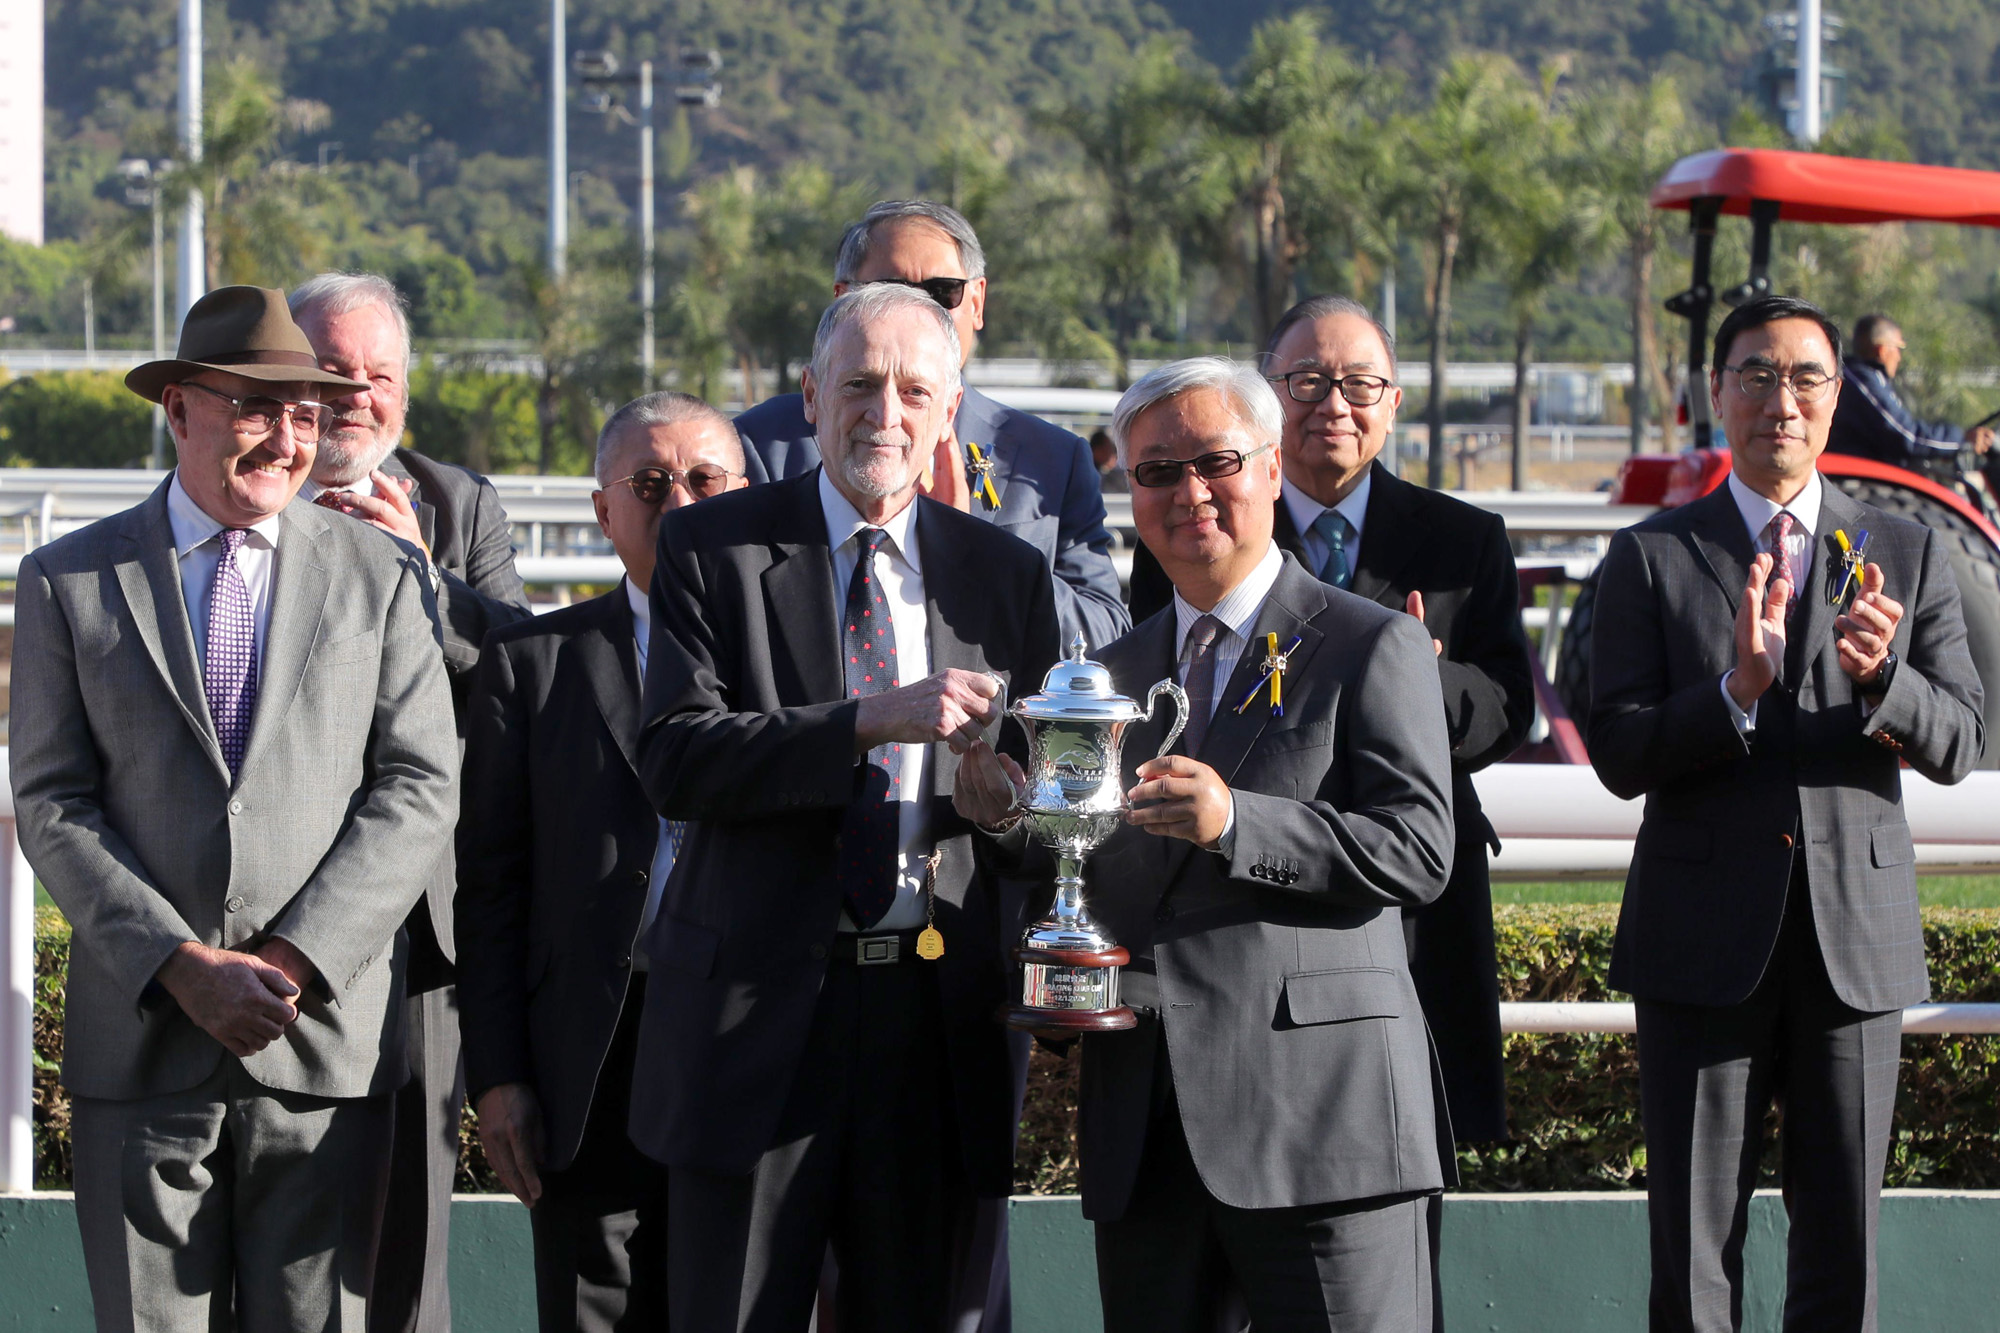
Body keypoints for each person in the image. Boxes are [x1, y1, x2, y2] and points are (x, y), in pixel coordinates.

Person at [960, 356, 1457, 1331]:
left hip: (1325, 1130)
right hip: (1142, 1129)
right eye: (1155, 471)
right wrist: (1004, 822)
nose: (1188, 491)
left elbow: (1419, 849)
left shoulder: (1365, 643)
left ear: (1271, 468)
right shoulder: (1098, 676)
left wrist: (1238, 823)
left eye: (1214, 461)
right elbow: (1074, 867)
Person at [9, 285, 460, 1331]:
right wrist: (178, 964)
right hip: (145, 1044)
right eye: (256, 407)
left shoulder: (383, 573)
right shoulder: (68, 579)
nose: (286, 439)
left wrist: (295, 961)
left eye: (305, 414)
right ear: (179, 408)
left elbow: (419, 783)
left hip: (322, 1044)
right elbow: (51, 800)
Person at [631, 283, 1061, 1331]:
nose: (886, 411)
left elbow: (1045, 811)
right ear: (810, 397)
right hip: (753, 1024)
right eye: (860, 384)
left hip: (932, 1024)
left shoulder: (1003, 575)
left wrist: (1003, 807)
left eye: (915, 388)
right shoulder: (712, 548)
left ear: (947, 410)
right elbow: (675, 758)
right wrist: (865, 721)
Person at [1588, 294, 1984, 1331]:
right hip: (1697, 947)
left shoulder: (1904, 546)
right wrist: (1732, 694)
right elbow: (1619, 753)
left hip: (1855, 946)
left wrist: (1879, 683)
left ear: (1836, 395)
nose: (1781, 399)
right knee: (1689, 1252)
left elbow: (1959, 740)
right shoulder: (1649, 556)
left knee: (1840, 1252)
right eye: (1755, 375)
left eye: (1804, 376)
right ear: (1716, 394)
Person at [1131, 295, 1533, 1144]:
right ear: (1270, 411)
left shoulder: (1464, 539)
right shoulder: (1193, 522)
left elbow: (1508, 707)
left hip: (1411, 896)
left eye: (1360, 382)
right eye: (1307, 381)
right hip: (1230, 907)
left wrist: (1420, 685)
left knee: (1403, 1147)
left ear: (1394, 402)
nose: (1333, 404)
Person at [458, 393, 748, 1332]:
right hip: (593, 1054)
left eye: (707, 481)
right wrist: (497, 1074)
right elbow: (491, 885)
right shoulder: (534, 662)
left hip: (747, 1038)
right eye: (651, 482)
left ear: (746, 495)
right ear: (603, 510)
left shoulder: (797, 665)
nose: (682, 503)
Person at [290, 271, 532, 1333]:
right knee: (273, 1218)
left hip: (417, 935)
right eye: (330, 372)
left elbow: (521, 680)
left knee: (405, 1243)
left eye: (376, 376)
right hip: (258, 907)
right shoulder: (234, 482)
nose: (355, 398)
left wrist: (425, 580)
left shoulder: (457, 504)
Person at [733, 198, 1128, 652]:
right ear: (842, 300)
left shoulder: (1051, 460)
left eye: (943, 292)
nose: (919, 312)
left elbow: (1103, 635)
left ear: (977, 302)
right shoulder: (765, 447)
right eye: (888, 289)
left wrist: (981, 555)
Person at [1829, 313, 1995, 467]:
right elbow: (1908, 437)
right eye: (1899, 348)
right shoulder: (1863, 381)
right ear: (1883, 350)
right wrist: (1962, 439)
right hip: (1859, 476)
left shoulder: (1859, 376)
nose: (1899, 357)